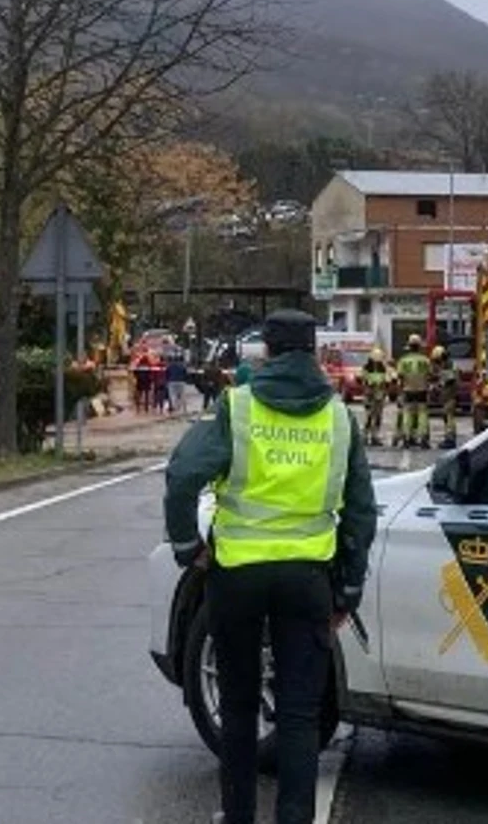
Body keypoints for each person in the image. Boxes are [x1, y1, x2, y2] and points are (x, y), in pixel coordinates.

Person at [163, 310, 377, 824]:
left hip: (237, 578)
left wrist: (188, 546)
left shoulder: (237, 408)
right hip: (308, 580)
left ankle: (237, 816)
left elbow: (182, 476)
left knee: (237, 708)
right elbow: (360, 512)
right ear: (315, 353)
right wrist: (347, 589)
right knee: (300, 714)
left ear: (267, 353)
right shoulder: (339, 418)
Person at [394, 334, 432, 449]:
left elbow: (399, 378)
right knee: (422, 414)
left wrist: (399, 392)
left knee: (407, 413)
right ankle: (423, 438)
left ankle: (406, 437)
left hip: (408, 390)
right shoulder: (425, 360)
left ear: (409, 346)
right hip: (422, 390)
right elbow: (429, 376)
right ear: (419, 347)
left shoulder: (403, 360)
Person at [359, 346, 392, 446]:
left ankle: (375, 436)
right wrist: (369, 384)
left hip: (379, 397)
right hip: (370, 396)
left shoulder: (384, 369)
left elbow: (388, 381)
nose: (376, 363)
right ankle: (365, 436)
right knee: (368, 417)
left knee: (377, 417)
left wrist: (384, 385)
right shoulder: (366, 369)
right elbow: (362, 379)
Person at [430, 343, 460, 449]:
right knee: (447, 417)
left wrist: (437, 386)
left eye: (437, 360)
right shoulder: (448, 366)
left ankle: (450, 439)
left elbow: (448, 380)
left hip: (450, 397)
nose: (437, 363)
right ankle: (449, 437)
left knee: (448, 417)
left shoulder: (449, 366)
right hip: (448, 396)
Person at [166, 351, 190, 416]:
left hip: (172, 382)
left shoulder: (170, 366)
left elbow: (167, 373)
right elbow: (186, 374)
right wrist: (185, 380)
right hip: (181, 382)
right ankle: (184, 409)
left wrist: (167, 381)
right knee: (182, 395)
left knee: (172, 395)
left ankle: (174, 408)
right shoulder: (182, 366)